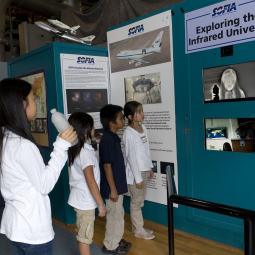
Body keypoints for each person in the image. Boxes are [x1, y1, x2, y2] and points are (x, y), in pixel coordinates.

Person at [0, 78, 77, 255]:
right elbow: (44, 185)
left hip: (16, 226)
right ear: (22, 104)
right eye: (33, 98)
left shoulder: (5, 138)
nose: (36, 103)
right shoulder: (22, 145)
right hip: (32, 229)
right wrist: (61, 147)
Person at [67, 112, 106, 255]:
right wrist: (101, 204)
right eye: (92, 126)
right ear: (85, 130)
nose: (94, 128)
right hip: (85, 201)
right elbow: (91, 182)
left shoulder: (78, 149)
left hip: (80, 199)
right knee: (85, 237)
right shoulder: (85, 153)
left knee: (82, 233)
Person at [99, 104, 131, 254]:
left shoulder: (113, 138)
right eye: (120, 118)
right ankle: (111, 245)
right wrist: (113, 189)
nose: (123, 120)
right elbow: (107, 166)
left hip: (117, 185)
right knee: (114, 216)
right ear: (111, 122)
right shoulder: (108, 140)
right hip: (113, 188)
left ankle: (116, 239)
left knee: (118, 214)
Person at [123, 101, 155, 240]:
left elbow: (146, 150)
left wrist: (150, 167)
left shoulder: (143, 128)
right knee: (136, 203)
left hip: (144, 170)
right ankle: (138, 230)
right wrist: (138, 178)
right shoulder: (128, 133)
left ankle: (138, 226)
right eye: (139, 111)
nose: (142, 114)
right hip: (136, 174)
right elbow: (131, 157)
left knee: (141, 201)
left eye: (142, 110)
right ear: (130, 116)